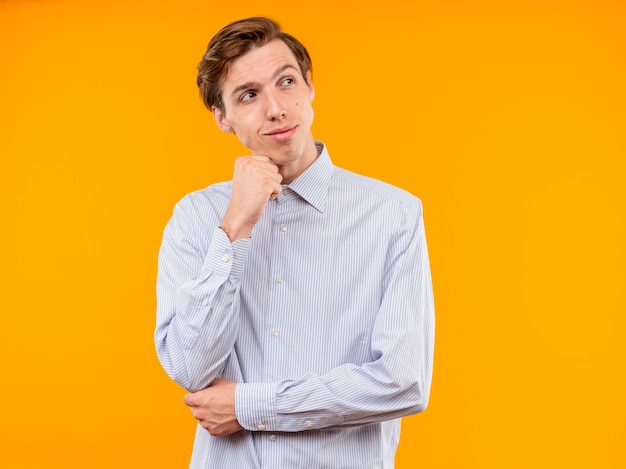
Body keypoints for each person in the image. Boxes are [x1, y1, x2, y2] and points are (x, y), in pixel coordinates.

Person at [155, 16, 435, 468]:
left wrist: (251, 407)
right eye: (249, 95)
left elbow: (402, 382)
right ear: (222, 117)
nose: (276, 108)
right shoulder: (197, 217)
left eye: (286, 82)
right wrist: (236, 226)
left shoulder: (393, 214)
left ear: (309, 87)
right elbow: (190, 368)